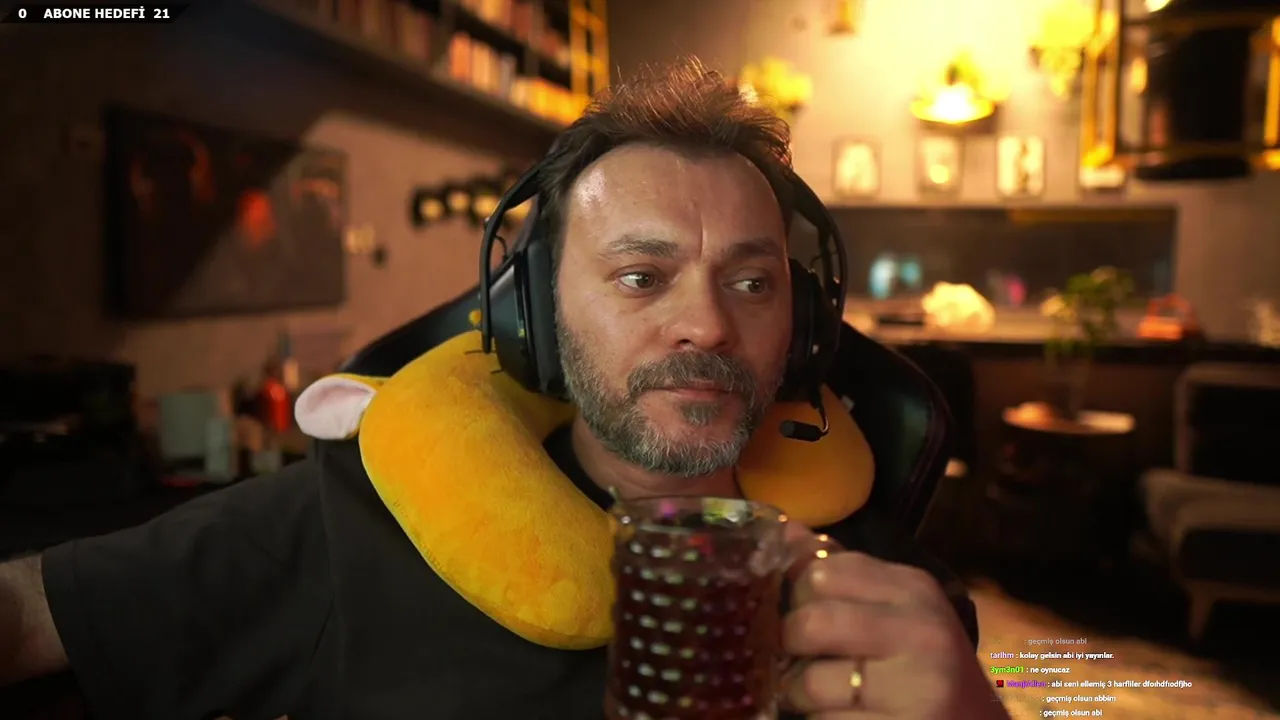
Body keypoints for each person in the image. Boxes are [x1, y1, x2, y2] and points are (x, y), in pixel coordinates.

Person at [0, 58, 1008, 719]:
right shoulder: (354, 521)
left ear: (803, 325)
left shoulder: (882, 588)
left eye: (751, 283)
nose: (706, 325)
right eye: (640, 277)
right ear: (533, 312)